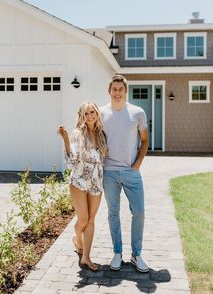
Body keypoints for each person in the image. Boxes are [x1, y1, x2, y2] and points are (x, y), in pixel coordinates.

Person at [100, 74, 149, 272]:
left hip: (131, 172)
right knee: (113, 213)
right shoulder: (102, 113)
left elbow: (144, 140)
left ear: (125, 91)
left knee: (139, 212)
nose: (117, 93)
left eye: (121, 89)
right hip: (109, 172)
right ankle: (117, 253)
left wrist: (137, 163)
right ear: (109, 91)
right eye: (114, 89)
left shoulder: (137, 113)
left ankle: (136, 255)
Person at [59, 100, 107, 271]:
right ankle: (77, 234)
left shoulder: (102, 135)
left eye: (92, 112)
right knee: (84, 219)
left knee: (91, 220)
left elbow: (104, 160)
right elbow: (72, 161)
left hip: (96, 182)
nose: (90, 115)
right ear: (82, 116)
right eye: (86, 113)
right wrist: (65, 140)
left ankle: (85, 257)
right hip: (79, 182)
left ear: (97, 113)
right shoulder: (78, 133)